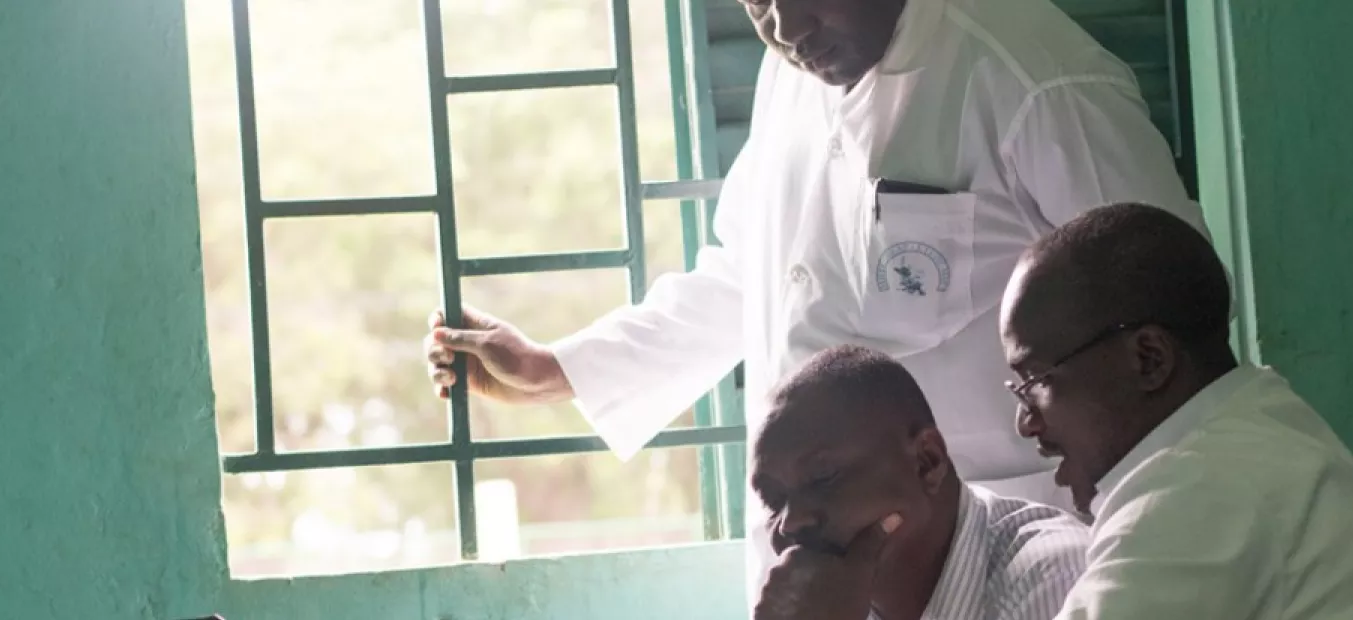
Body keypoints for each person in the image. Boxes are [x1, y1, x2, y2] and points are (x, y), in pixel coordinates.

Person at [424, 0, 1204, 595]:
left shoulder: (1031, 76)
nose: (787, 25)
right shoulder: (792, 77)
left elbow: (1169, 324)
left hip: (1003, 575)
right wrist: (558, 369)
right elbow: (748, 278)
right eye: (756, 1)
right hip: (827, 576)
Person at [997, 203, 1353, 618]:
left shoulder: (1197, 489)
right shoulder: (1260, 422)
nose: (1025, 422)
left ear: (1149, 359)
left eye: (1036, 380)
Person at [751, 345, 1087, 620]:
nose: (791, 522)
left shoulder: (1057, 579)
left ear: (928, 462)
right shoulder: (817, 602)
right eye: (772, 499)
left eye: (823, 478)